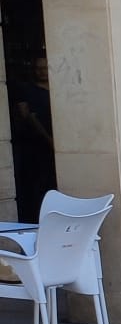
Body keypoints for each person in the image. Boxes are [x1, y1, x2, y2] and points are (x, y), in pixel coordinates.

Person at [12, 55, 55, 220]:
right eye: (39, 68)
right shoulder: (27, 90)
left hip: (56, 145)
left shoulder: (57, 89)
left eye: (45, 68)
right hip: (35, 146)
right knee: (37, 186)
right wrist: (49, 140)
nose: (42, 72)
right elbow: (28, 116)